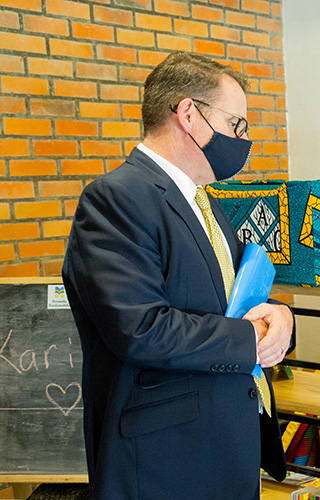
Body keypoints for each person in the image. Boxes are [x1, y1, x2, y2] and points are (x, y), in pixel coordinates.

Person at [62, 52, 295, 499]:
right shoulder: (116, 198)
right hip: (168, 462)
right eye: (236, 124)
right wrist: (250, 338)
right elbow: (140, 328)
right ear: (189, 115)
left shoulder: (204, 201)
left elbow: (234, 299)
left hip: (226, 446)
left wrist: (280, 319)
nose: (243, 140)